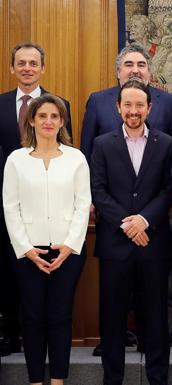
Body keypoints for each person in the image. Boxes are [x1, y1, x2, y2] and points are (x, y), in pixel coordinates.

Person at [90, 80, 172, 385]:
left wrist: (144, 220)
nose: (134, 111)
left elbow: (169, 189)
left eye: (140, 105)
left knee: (155, 318)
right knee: (113, 319)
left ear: (149, 108)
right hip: (116, 245)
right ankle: (113, 380)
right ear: (118, 107)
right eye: (128, 105)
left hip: (153, 244)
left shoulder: (166, 143)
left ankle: (158, 378)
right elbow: (98, 191)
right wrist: (128, 223)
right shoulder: (103, 144)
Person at [2, 94, 90, 385]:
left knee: (60, 317)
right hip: (28, 252)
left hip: (68, 250)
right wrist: (26, 249)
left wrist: (69, 246)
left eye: (54, 116)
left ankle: (58, 381)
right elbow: (10, 207)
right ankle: (36, 380)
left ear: (62, 121)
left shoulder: (76, 158)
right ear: (31, 120)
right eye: (42, 116)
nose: (48, 121)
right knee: (33, 318)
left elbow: (83, 204)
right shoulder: (16, 159)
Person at [0, 42, 73, 357]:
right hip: (5, 205)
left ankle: (42, 343)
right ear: (12, 68)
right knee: (6, 271)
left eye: (33, 63)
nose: (27, 68)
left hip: (47, 213)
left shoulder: (57, 104)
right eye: (21, 63)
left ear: (43, 68)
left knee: (43, 281)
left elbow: (66, 154)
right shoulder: (0, 104)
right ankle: (8, 334)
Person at [80, 43, 172, 162]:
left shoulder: (168, 102)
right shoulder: (97, 101)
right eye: (129, 65)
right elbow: (87, 152)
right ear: (118, 72)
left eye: (141, 65)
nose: (135, 71)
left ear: (149, 72)